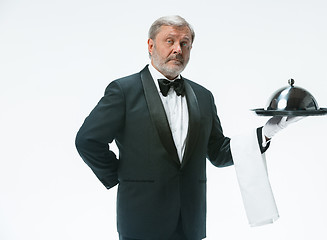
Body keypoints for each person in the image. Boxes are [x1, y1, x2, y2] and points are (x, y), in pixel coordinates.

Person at [75, 15, 298, 240]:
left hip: (190, 223)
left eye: (185, 43)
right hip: (141, 221)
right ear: (151, 45)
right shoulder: (123, 91)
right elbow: (87, 140)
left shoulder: (203, 96)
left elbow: (218, 152)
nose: (178, 49)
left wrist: (268, 132)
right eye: (169, 41)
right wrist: (121, 177)